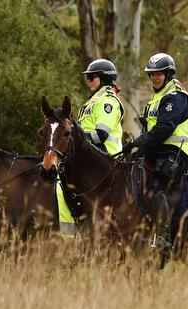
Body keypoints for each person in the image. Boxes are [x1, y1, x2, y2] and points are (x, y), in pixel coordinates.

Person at [121, 52, 188, 248]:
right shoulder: (157, 96)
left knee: (157, 183)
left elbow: (164, 130)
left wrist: (137, 141)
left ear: (168, 74)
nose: (155, 77)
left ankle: (162, 237)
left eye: (159, 74)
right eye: (152, 74)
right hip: (159, 148)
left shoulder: (175, 96)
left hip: (177, 149)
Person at [57, 58, 125, 238]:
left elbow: (101, 134)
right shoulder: (91, 102)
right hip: (87, 159)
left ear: (103, 79)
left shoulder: (107, 101)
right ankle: (71, 238)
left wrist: (75, 141)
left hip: (106, 158)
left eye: (91, 77)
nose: (88, 81)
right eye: (87, 77)